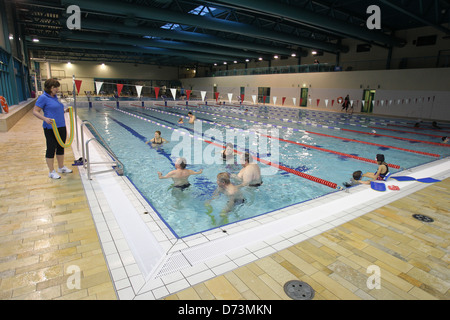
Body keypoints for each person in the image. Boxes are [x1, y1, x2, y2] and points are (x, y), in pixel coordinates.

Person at [32, 78, 73, 179]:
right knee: (51, 148)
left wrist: (64, 111)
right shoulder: (43, 97)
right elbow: (35, 111)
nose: (57, 89)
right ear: (50, 87)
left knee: (61, 147)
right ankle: (51, 171)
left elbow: (55, 109)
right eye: (55, 87)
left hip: (61, 126)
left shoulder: (55, 97)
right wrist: (45, 119)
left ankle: (61, 167)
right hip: (50, 127)